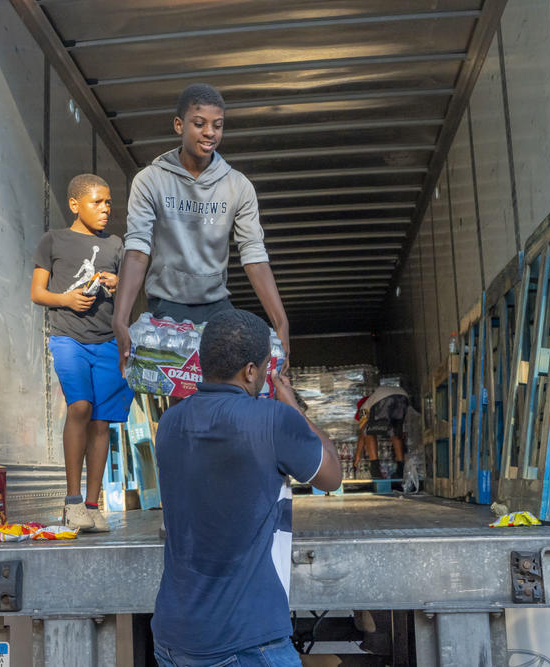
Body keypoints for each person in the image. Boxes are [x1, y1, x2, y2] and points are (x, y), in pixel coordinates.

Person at [151, 309, 342, 666]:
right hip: (245, 642)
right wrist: (290, 402)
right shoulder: (272, 420)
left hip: (173, 638)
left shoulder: (170, 424)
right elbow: (331, 475)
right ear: (251, 371)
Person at [112, 83, 290, 375]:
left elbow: (254, 255)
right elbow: (137, 250)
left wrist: (281, 323)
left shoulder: (237, 185)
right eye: (200, 124)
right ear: (179, 125)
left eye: (217, 125)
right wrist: (120, 318)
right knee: (183, 389)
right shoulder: (150, 180)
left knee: (229, 385)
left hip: (216, 303)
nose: (210, 133)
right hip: (168, 304)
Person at [30, 173, 134, 532]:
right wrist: (66, 299)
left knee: (102, 422)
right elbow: (38, 293)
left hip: (107, 343)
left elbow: (130, 297)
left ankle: (93, 505)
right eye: (97, 202)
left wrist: (118, 284)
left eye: (108, 202)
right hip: (68, 338)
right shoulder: (53, 240)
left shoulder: (117, 246)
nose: (105, 209)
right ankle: (72, 502)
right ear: (75, 205)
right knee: (80, 407)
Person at [354, 386, 409, 481]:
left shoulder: (363, 408)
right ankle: (400, 469)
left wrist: (357, 457)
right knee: (395, 431)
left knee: (369, 432)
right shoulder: (372, 399)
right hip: (403, 396)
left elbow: (363, 433)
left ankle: (375, 470)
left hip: (384, 399)